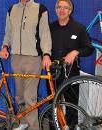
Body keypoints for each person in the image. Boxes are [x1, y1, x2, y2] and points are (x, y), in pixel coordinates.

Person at [0, 0, 52, 130]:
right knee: (19, 95)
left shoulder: (40, 9)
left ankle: (34, 127)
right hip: (15, 58)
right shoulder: (12, 9)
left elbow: (45, 34)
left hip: (33, 59)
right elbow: (8, 33)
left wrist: (46, 53)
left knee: (30, 97)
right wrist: (5, 47)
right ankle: (23, 122)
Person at [50, 0, 94, 128]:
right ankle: (54, 127)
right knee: (53, 105)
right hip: (53, 72)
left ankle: (72, 126)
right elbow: (42, 46)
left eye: (65, 8)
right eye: (59, 7)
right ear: (56, 9)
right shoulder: (49, 28)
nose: (62, 10)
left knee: (72, 105)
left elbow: (88, 48)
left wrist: (75, 52)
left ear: (70, 10)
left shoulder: (79, 28)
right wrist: (45, 56)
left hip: (71, 73)